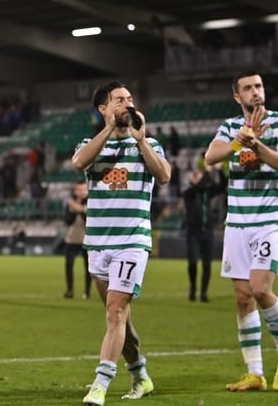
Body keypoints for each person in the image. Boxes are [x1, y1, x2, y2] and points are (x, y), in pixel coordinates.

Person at [72, 81, 171, 405]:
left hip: (132, 241)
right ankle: (141, 377)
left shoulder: (148, 143)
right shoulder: (91, 143)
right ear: (103, 108)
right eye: (119, 100)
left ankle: (99, 385)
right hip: (98, 243)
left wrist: (141, 141)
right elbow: (79, 163)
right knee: (120, 320)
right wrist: (110, 130)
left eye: (129, 99)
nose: (127, 104)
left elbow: (165, 174)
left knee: (116, 312)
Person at [204, 70, 278, 393]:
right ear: (237, 96)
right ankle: (255, 373)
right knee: (243, 298)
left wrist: (257, 145)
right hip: (237, 223)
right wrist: (239, 140)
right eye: (248, 88)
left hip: (270, 219)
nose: (256, 92)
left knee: (260, 288)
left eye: (258, 86)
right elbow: (210, 158)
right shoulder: (231, 127)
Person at [182, 162, 227, 302]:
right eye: (196, 176)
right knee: (193, 262)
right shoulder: (189, 192)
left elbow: (223, 185)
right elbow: (200, 186)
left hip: (207, 231)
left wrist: (219, 170)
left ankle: (203, 293)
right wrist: (208, 171)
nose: (199, 178)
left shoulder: (207, 192)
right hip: (193, 231)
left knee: (207, 264)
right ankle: (193, 288)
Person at [62, 179, 90, 300]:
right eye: (79, 189)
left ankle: (87, 292)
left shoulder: (91, 202)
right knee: (69, 264)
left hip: (87, 239)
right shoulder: (71, 203)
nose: (81, 192)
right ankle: (70, 290)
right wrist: (81, 208)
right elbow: (68, 220)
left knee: (88, 267)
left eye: (83, 189)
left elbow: (88, 220)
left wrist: (79, 208)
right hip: (72, 238)